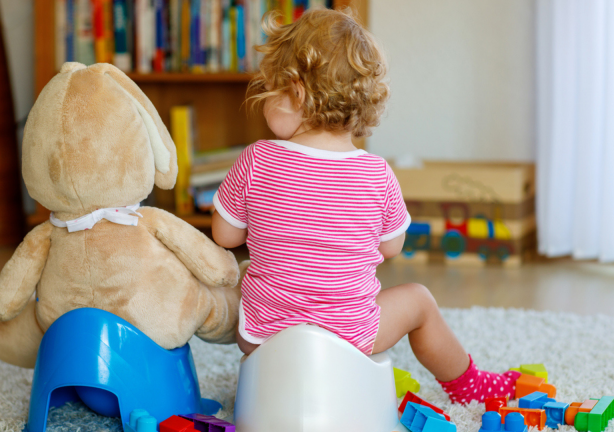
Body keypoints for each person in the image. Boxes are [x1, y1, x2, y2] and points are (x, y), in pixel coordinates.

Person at [211, 7, 519, 404]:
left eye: (269, 89)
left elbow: (224, 234)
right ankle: (469, 385)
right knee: (419, 300)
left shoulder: (256, 159)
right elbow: (391, 247)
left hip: (262, 339)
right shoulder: (377, 173)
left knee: (252, 272)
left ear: (296, 92)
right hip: (352, 338)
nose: (262, 98)